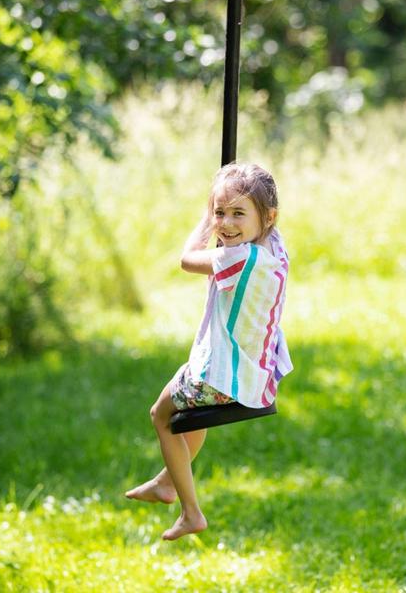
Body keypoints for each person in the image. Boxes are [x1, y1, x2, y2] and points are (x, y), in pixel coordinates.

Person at [125, 162, 292, 540]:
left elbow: (187, 259)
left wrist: (206, 219)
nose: (226, 224)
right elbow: (252, 200)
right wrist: (233, 202)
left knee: (162, 414)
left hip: (221, 372)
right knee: (191, 415)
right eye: (220, 212)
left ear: (268, 217)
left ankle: (190, 510)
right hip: (255, 369)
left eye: (237, 214)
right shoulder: (274, 246)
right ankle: (167, 481)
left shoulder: (238, 258)